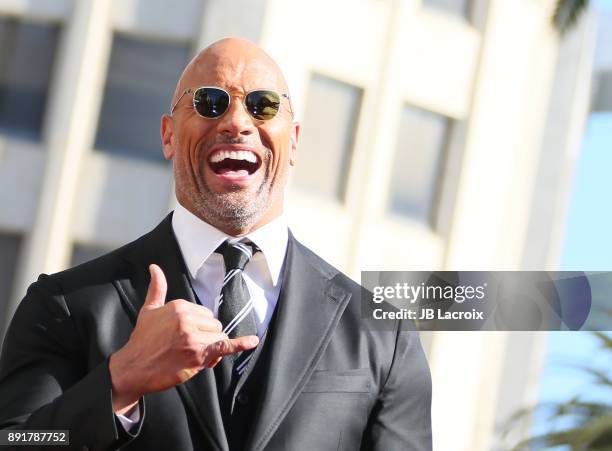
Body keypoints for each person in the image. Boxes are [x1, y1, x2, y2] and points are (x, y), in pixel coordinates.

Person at [0, 38, 432, 450]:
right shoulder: (65, 305)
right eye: (210, 103)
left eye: (263, 106)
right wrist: (119, 381)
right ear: (168, 135)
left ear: (294, 140)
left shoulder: (382, 337)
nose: (238, 123)